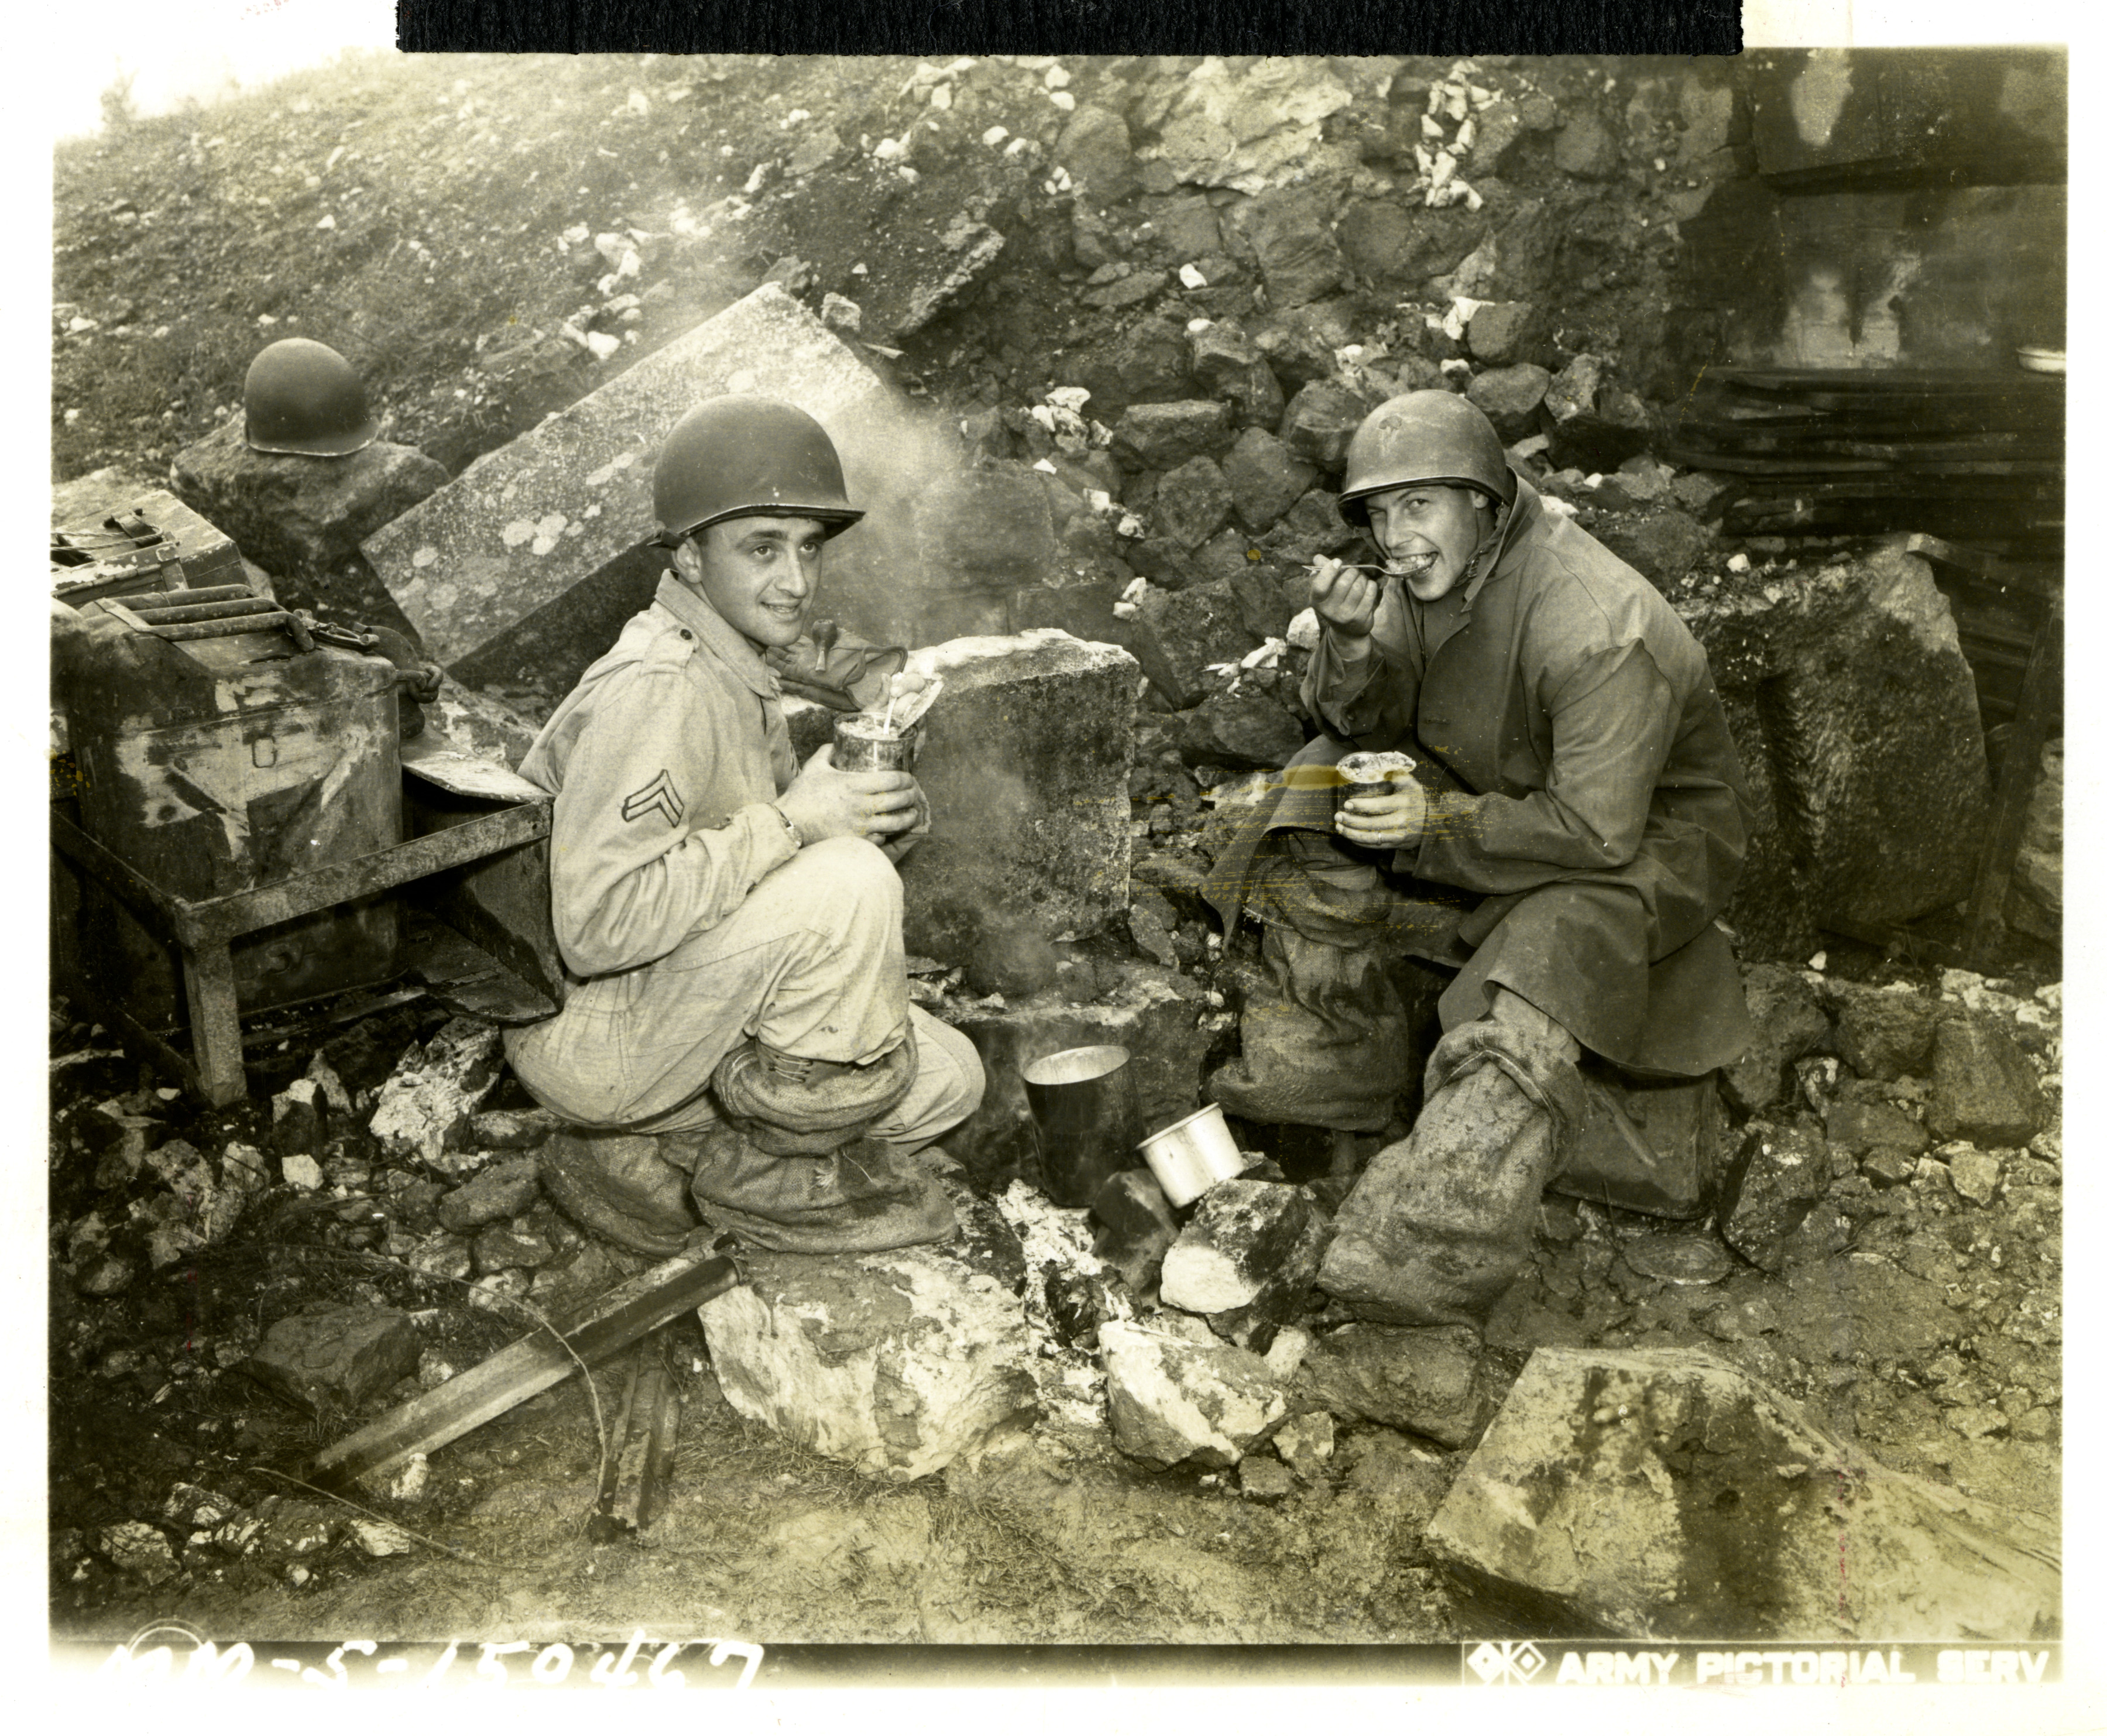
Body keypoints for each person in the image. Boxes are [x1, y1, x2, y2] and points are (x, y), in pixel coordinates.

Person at [1206, 390, 1756, 1327]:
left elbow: (1596, 832)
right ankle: (1336, 1092)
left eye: (1418, 505)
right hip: (1494, 788)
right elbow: (1364, 718)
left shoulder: (1597, 623)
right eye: (1380, 512)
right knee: (1312, 793)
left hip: (1642, 842)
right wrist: (1345, 641)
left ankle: (1427, 1250)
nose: (1395, 535)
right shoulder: (1438, 575)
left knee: (1546, 955)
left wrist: (1434, 828)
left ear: (1485, 505)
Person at [502, 395, 984, 1255]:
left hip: (665, 997)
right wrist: (800, 825)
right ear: (690, 558)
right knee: (849, 884)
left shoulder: (738, 661)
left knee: (949, 1077)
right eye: (761, 548)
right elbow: (595, 928)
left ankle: (667, 1152)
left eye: (807, 547)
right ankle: (771, 1179)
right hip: (594, 1027)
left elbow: (745, 871)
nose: (795, 581)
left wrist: (869, 821)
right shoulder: (663, 686)